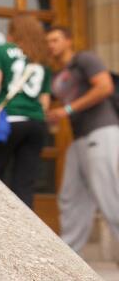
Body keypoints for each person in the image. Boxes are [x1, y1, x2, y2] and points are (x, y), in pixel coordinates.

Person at [46, 26, 118, 252]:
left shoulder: (85, 59)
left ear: (69, 40)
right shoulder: (56, 73)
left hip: (102, 131)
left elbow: (105, 87)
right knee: (70, 196)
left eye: (56, 40)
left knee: (111, 197)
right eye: (48, 41)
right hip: (79, 140)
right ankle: (67, 257)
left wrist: (67, 110)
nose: (51, 45)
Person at [0, 14, 52, 208]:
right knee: (25, 183)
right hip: (36, 124)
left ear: (13, 31)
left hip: (9, 120)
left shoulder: (2, 50)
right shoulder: (41, 59)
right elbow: (45, 102)